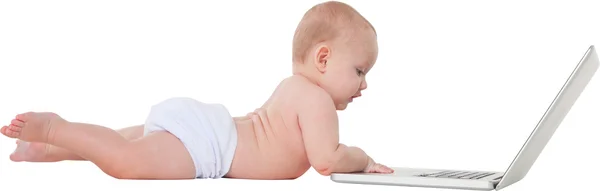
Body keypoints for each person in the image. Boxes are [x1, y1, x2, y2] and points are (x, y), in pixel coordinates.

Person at [1, 1, 394, 180]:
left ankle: (47, 151)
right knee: (126, 161)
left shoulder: (293, 88)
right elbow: (327, 159)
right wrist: (364, 159)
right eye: (359, 70)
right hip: (209, 147)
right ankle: (55, 130)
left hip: (207, 127)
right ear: (322, 59)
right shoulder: (317, 100)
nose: (364, 84)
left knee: (124, 140)